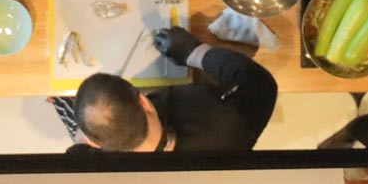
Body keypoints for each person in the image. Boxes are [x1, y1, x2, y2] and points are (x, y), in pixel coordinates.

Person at [65, 28, 279, 155]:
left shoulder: (93, 172)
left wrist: (82, 136)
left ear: (95, 143)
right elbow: (261, 84)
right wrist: (194, 53)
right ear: (145, 102)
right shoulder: (227, 129)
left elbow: (78, 150)